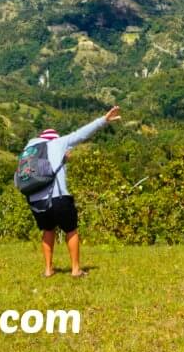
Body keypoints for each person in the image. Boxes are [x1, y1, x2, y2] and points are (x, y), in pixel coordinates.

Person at [22, 106, 121, 278]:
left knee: (47, 230)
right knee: (71, 230)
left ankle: (48, 269)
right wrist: (103, 120)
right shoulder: (59, 142)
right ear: (55, 138)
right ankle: (75, 270)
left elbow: (44, 170)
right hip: (59, 198)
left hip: (36, 199)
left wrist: (63, 161)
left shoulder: (30, 150)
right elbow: (81, 134)